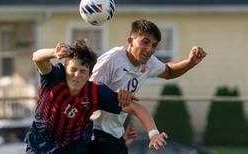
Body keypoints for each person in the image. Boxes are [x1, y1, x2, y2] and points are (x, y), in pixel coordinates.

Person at [25, 39, 167, 154]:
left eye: (82, 71)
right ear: (65, 69)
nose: (77, 75)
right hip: (38, 146)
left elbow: (135, 107)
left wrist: (153, 133)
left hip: (73, 149)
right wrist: (54, 53)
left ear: (90, 74)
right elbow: (37, 58)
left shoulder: (95, 92)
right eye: (73, 70)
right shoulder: (54, 78)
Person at [89, 19, 207, 154]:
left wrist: (190, 62)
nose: (150, 49)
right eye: (145, 42)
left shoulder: (149, 62)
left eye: (154, 45)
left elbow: (168, 71)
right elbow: (89, 91)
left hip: (115, 134)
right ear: (130, 40)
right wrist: (114, 95)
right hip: (94, 131)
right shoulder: (113, 58)